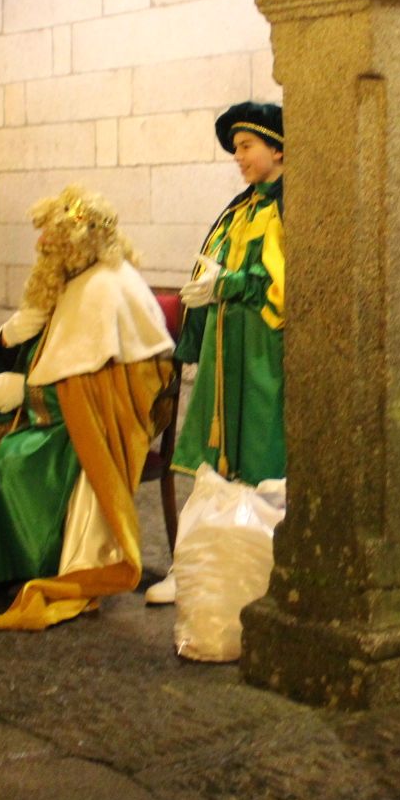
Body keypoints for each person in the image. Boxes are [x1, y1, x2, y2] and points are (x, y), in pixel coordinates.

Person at [0, 186, 175, 631]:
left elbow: (125, 391)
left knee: (11, 464)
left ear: (80, 243)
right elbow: (50, 352)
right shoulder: (69, 279)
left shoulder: (110, 288)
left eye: (51, 240)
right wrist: (12, 338)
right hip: (51, 413)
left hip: (85, 428)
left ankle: (8, 572)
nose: (41, 246)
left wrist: (29, 393)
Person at [146, 101, 287, 606]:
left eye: (247, 146)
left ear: (278, 147)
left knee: (260, 461)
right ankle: (199, 566)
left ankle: (254, 570)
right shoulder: (240, 208)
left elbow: (286, 286)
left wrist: (227, 283)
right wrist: (204, 287)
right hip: (226, 353)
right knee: (215, 461)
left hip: (263, 358)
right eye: (236, 149)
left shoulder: (286, 208)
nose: (239, 157)